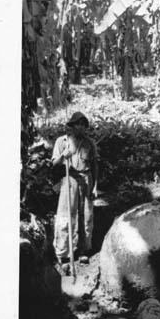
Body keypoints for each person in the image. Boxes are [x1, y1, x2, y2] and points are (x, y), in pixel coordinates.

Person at [52, 111, 98, 272]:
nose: (82, 128)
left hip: (86, 180)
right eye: (79, 124)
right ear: (72, 126)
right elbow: (54, 164)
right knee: (66, 216)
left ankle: (83, 251)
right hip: (69, 180)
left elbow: (94, 166)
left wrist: (95, 186)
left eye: (84, 125)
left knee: (86, 215)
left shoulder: (89, 143)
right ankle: (63, 254)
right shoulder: (62, 142)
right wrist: (64, 155)